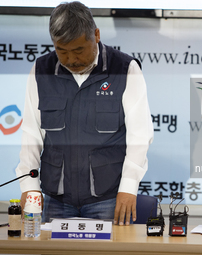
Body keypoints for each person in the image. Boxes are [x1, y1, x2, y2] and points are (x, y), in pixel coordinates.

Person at [15, 1, 153, 225]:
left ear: (96, 35)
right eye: (62, 51)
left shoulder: (125, 69)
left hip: (108, 198)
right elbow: (31, 132)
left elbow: (140, 135)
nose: (71, 60)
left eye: (79, 50)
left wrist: (129, 186)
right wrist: (29, 187)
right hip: (54, 198)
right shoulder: (42, 70)